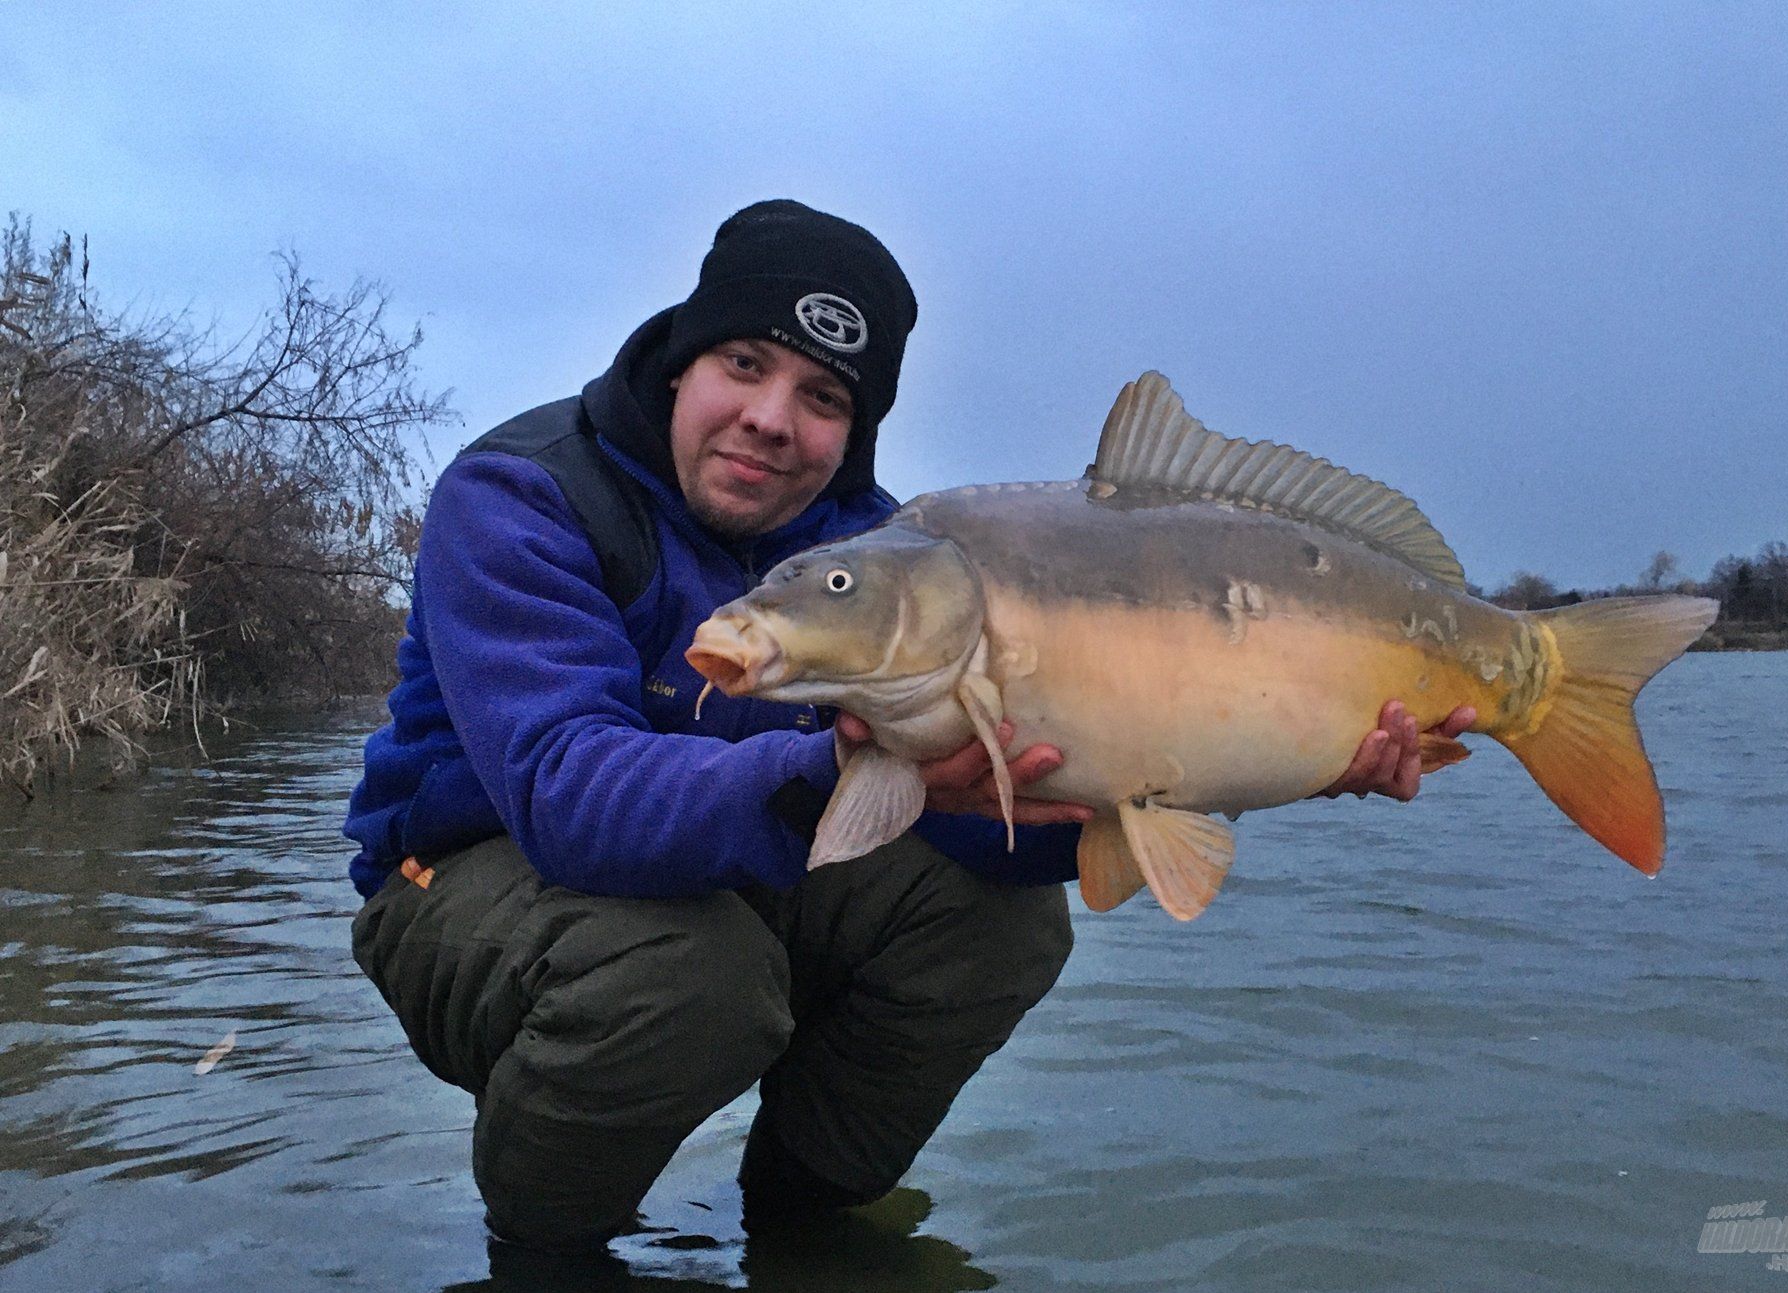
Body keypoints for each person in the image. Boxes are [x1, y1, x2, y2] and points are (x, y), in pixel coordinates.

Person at [343, 199, 1471, 1255]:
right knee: (693, 978)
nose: (773, 421)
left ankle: (804, 1231)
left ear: (856, 427)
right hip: (464, 879)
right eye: (746, 364)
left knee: (1004, 925)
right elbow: (565, 797)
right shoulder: (524, 496)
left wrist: (1255, 761)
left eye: (825, 398)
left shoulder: (894, 551)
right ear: (683, 358)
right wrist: (842, 765)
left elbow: (994, 826)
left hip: (746, 864)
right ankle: (546, 1252)